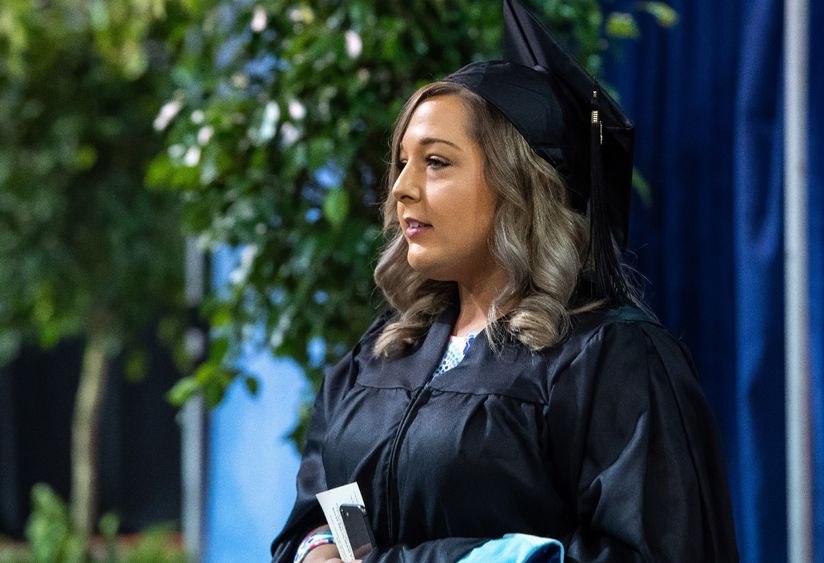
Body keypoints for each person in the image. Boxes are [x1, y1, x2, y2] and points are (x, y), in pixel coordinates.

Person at [271, 1, 739, 561]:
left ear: (519, 187)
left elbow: (661, 550)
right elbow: (330, 506)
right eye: (401, 163)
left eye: (436, 162)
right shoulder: (380, 356)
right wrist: (319, 546)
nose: (400, 188)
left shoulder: (608, 361)